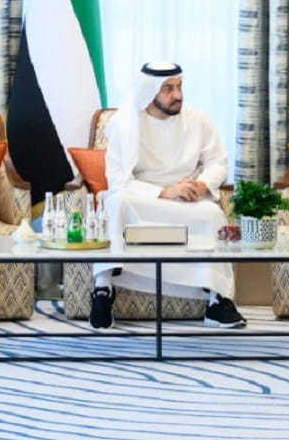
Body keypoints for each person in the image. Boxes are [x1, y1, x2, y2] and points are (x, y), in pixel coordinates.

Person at [93, 62, 244, 330]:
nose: (178, 95)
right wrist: (163, 192)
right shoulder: (124, 123)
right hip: (143, 199)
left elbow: (218, 163)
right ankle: (103, 290)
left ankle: (216, 301)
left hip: (186, 202)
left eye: (179, 87)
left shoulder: (197, 120)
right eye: (168, 89)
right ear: (149, 92)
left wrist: (200, 186)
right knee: (116, 203)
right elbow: (117, 180)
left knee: (212, 213)